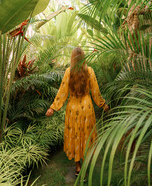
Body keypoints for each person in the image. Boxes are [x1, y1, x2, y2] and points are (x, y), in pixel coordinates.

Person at [46, 47, 109, 176]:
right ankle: (86, 166)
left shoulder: (69, 72)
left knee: (75, 136)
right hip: (86, 108)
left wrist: (53, 107)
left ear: (72, 58)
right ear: (83, 58)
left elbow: (62, 92)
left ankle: (78, 167)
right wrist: (103, 105)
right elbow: (96, 92)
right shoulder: (89, 71)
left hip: (72, 109)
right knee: (86, 135)